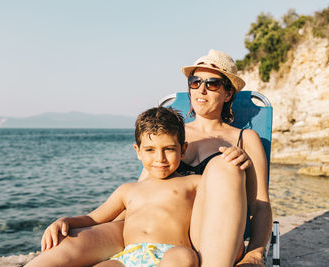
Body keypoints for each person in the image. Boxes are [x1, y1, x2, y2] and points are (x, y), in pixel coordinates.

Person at [26, 49, 272, 267]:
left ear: (228, 93)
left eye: (213, 83)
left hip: (202, 236)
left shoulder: (244, 137)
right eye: (195, 82)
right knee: (67, 247)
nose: (202, 89)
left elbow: (259, 204)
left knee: (224, 164)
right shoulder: (169, 134)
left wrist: (255, 253)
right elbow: (145, 192)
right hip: (149, 235)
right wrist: (72, 223)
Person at [28, 107, 200, 267]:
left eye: (169, 149)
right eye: (150, 150)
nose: (159, 158)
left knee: (184, 256)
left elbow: (223, 190)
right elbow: (94, 219)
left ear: (183, 150)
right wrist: (65, 221)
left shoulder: (192, 183)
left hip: (169, 253)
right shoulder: (128, 190)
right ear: (138, 151)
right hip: (128, 257)